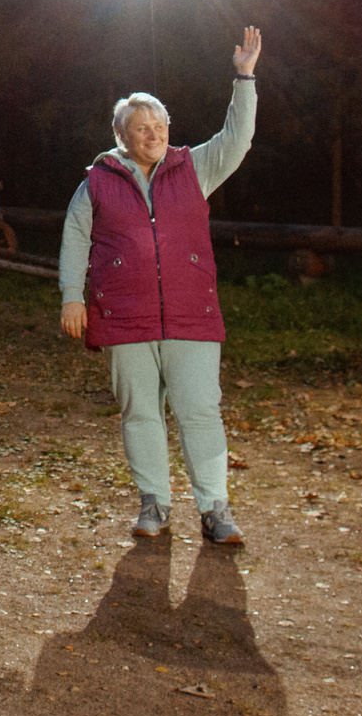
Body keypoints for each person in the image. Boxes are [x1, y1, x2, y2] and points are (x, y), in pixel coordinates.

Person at [57, 28, 265, 547]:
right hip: (124, 316)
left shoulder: (193, 167)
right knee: (141, 411)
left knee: (200, 410)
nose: (152, 134)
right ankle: (154, 503)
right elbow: (75, 236)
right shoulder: (99, 180)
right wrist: (71, 295)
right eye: (140, 127)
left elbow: (238, 139)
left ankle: (216, 509)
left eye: (158, 125)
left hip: (192, 314)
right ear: (120, 135)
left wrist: (244, 78)